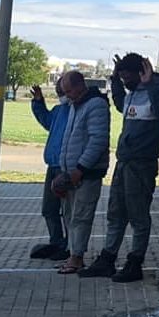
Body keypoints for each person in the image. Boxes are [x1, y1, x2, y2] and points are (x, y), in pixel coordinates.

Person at [80, 54, 159, 282]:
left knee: (138, 216)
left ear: (141, 73)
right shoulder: (133, 94)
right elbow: (121, 104)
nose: (124, 82)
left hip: (142, 165)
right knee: (115, 212)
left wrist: (150, 83)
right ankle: (108, 258)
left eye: (126, 77)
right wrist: (114, 80)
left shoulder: (157, 92)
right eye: (121, 78)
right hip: (124, 163)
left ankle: (135, 262)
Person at [55, 71, 110, 274]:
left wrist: (80, 168)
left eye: (69, 90)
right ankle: (72, 254)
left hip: (87, 173)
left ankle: (77, 257)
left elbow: (97, 140)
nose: (67, 95)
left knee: (81, 216)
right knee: (69, 215)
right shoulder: (74, 105)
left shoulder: (96, 105)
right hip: (69, 172)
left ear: (80, 85)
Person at [29, 77, 71, 261]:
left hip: (66, 167)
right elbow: (47, 121)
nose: (60, 94)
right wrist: (39, 103)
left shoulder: (77, 110)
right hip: (53, 165)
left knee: (67, 210)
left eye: (61, 91)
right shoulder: (59, 110)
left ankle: (70, 245)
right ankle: (57, 241)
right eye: (58, 91)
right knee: (49, 208)